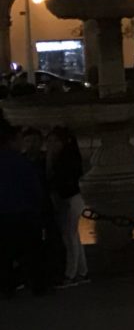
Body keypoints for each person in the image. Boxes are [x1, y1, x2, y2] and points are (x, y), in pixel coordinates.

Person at [0, 123, 50, 296]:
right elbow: (34, 189)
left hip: (4, 215)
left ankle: (7, 287)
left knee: (5, 254)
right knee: (32, 252)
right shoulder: (22, 162)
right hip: (25, 213)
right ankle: (37, 286)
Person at [47, 127, 87, 286]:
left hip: (71, 199)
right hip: (72, 198)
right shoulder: (65, 157)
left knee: (69, 236)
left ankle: (70, 274)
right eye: (49, 141)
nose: (51, 144)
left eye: (55, 141)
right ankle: (82, 272)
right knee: (73, 235)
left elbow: (59, 181)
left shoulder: (65, 160)